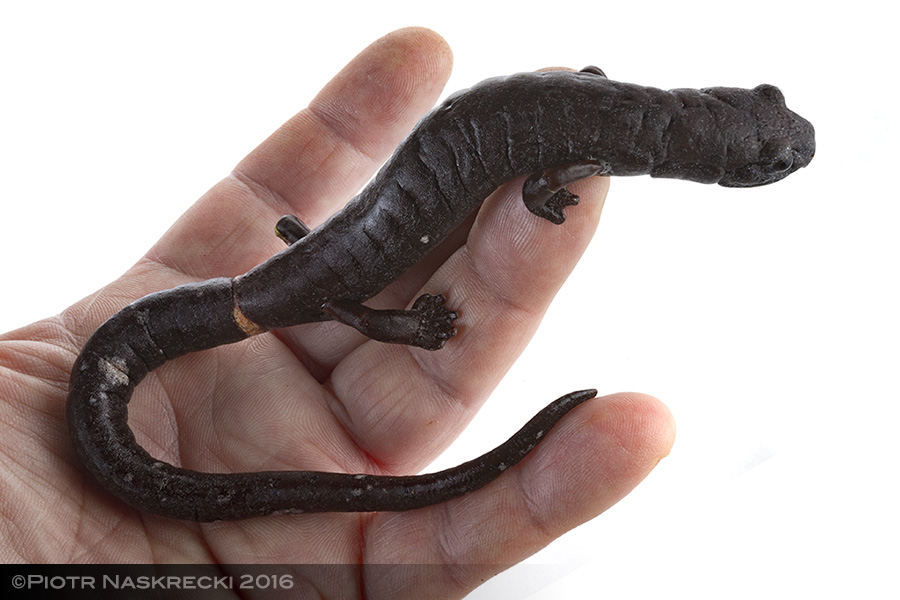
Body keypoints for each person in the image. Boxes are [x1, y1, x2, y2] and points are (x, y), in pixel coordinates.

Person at [0, 27, 674, 596]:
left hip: (317, 266)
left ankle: (341, 281)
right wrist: (402, 327)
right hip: (319, 280)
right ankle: (367, 303)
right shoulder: (623, 145)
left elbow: (588, 84)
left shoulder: (625, 109)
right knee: (332, 293)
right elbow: (551, 165)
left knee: (324, 284)